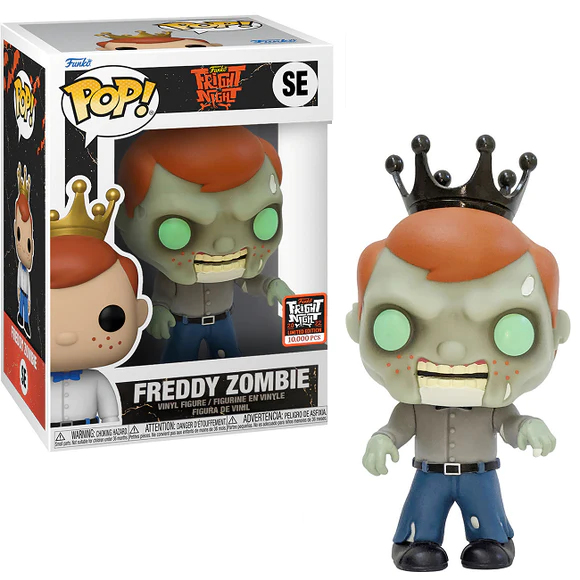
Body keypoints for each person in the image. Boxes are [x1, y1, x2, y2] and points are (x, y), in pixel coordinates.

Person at [347, 135, 570, 571]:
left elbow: (508, 424)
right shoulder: (413, 406)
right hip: (428, 474)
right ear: (358, 326)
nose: (451, 350)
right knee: (421, 522)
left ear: (555, 332)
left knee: (489, 527)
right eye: (397, 325)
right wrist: (381, 439)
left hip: (481, 474)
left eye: (510, 330)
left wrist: (527, 425)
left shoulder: (495, 405)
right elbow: (397, 427)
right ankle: (417, 542)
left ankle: (492, 539)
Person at [117, 126, 293, 362]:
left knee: (230, 360)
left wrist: (270, 285)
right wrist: (158, 311)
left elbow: (247, 281)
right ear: (123, 218)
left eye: (262, 220)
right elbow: (163, 295)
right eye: (177, 230)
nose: (224, 245)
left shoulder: (233, 268)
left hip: (223, 322)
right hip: (185, 325)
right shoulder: (172, 275)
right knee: (177, 363)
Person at [50, 179, 150, 428]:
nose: (66, 337)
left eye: (110, 319)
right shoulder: (35, 377)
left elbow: (111, 417)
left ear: (139, 313)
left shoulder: (97, 381)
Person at [14, 163, 34, 338]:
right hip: (22, 294)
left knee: (24, 308)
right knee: (22, 307)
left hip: (25, 296)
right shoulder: (21, 269)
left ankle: (25, 321)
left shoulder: (26, 271)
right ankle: (22, 318)